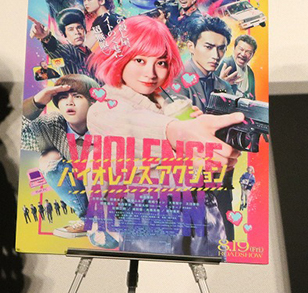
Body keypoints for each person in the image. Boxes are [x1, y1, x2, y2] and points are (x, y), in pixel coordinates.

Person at [86, 16, 243, 253]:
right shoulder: (105, 107)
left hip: (202, 218)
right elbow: (128, 125)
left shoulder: (171, 103)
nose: (150, 72)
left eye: (160, 62)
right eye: (139, 60)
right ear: (120, 58)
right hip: (151, 221)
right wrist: (179, 132)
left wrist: (207, 146)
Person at [169, 15, 240, 241]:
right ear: (191, 46)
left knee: (225, 235)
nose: (216, 55)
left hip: (221, 173)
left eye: (221, 48)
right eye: (209, 47)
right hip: (188, 175)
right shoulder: (173, 81)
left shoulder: (224, 85)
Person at [20, 74, 100, 238]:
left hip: (112, 191)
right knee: (50, 158)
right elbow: (14, 134)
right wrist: (36, 102)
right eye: (63, 97)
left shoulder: (108, 125)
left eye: (77, 96)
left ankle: (104, 219)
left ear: (92, 102)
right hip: (80, 187)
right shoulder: (52, 124)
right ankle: (87, 219)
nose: (69, 102)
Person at [29, 9, 94, 78]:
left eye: (79, 27)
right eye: (71, 29)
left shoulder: (90, 53)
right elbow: (57, 49)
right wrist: (46, 37)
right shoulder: (69, 50)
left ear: (84, 30)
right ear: (64, 34)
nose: (77, 32)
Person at [217, 34, 258, 99]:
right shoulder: (223, 64)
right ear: (234, 48)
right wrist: (221, 85)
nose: (243, 54)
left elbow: (252, 97)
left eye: (248, 52)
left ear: (252, 55)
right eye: (241, 49)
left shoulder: (250, 72)